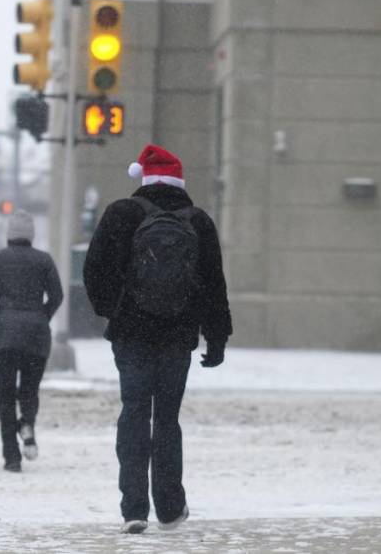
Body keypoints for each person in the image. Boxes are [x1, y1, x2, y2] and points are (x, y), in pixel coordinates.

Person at [83, 144, 232, 534]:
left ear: (144, 179)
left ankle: (134, 507)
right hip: (177, 334)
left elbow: (94, 269)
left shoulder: (121, 214)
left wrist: (112, 308)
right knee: (167, 418)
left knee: (134, 412)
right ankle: (169, 506)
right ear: (180, 182)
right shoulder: (198, 221)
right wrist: (216, 338)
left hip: (131, 333)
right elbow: (215, 285)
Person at [0, 210, 63, 473]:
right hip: (36, 335)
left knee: (6, 395)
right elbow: (56, 296)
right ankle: (27, 423)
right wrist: (41, 316)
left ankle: (11, 456)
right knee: (29, 390)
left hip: (5, 336)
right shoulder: (44, 261)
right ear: (31, 235)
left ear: (9, 234)